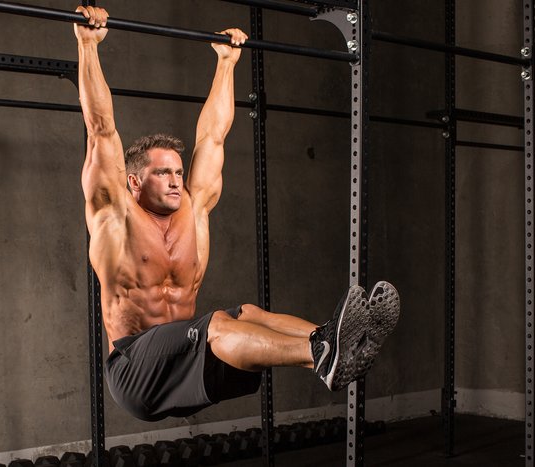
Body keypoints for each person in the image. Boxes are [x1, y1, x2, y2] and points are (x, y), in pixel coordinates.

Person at [74, 5, 400, 422]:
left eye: (178, 171)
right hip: (136, 370)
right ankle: (323, 352)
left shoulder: (195, 210)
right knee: (215, 326)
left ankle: (338, 340)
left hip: (187, 365)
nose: (176, 180)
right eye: (162, 173)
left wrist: (226, 63)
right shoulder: (114, 218)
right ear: (135, 183)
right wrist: (88, 46)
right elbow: (101, 128)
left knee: (246, 314)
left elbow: (214, 136)